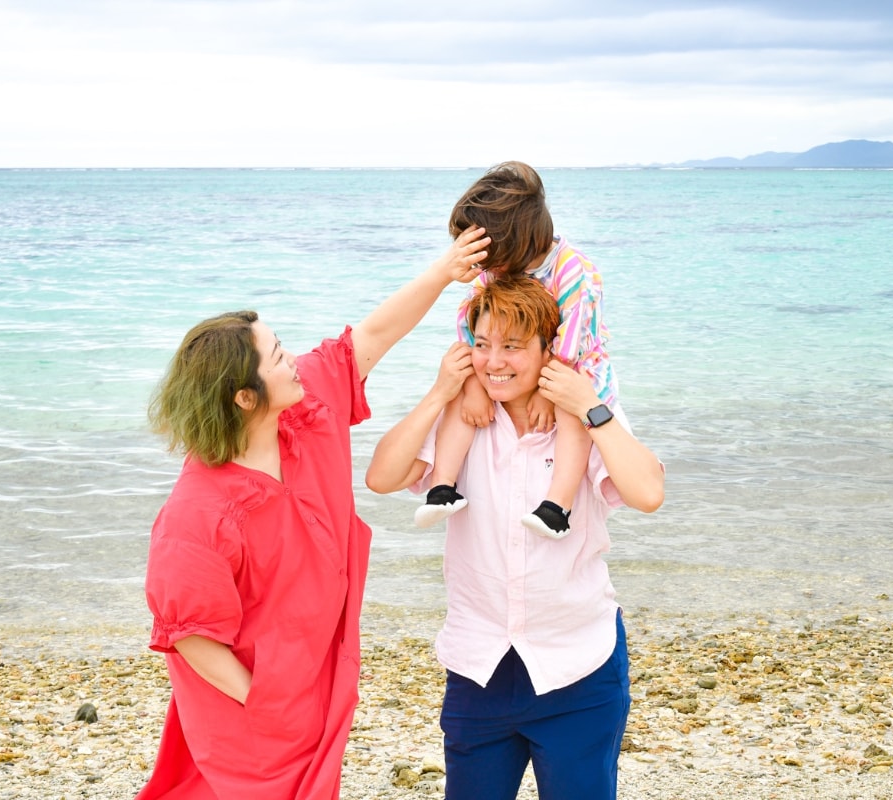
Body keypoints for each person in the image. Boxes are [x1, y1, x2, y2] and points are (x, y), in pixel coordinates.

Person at [135, 225, 490, 800]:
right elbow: (191, 637)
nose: (293, 360)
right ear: (245, 397)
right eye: (278, 356)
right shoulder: (197, 512)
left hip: (318, 680)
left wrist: (444, 270)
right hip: (254, 716)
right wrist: (269, 702)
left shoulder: (308, 412)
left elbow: (370, 337)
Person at [365, 275, 664, 800]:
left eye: (511, 347)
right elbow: (382, 477)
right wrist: (441, 391)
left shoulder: (585, 419)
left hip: (579, 666)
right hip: (478, 667)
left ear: (550, 350)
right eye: (481, 345)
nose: (493, 361)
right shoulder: (466, 416)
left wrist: (592, 406)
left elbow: (647, 493)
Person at [414, 161, 618, 540]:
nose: (481, 266)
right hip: (519, 362)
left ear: (519, 242)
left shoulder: (572, 270)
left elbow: (573, 341)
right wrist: (474, 385)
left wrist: (545, 392)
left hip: (572, 365)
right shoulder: (499, 269)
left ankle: (557, 507)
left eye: (487, 255)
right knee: (462, 391)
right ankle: (442, 488)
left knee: (572, 416)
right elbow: (470, 320)